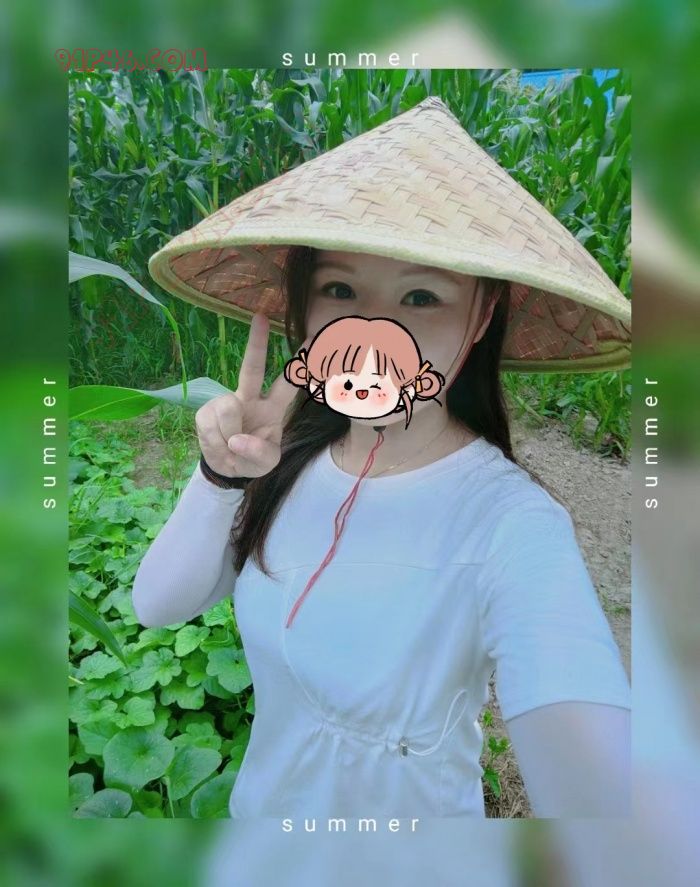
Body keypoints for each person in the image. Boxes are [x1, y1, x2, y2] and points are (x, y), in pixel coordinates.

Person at [135, 96, 632, 818]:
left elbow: (594, 789)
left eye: (422, 295)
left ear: (482, 316)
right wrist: (221, 477)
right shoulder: (285, 460)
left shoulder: (512, 524)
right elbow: (157, 605)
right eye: (340, 288)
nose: (371, 328)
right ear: (304, 306)